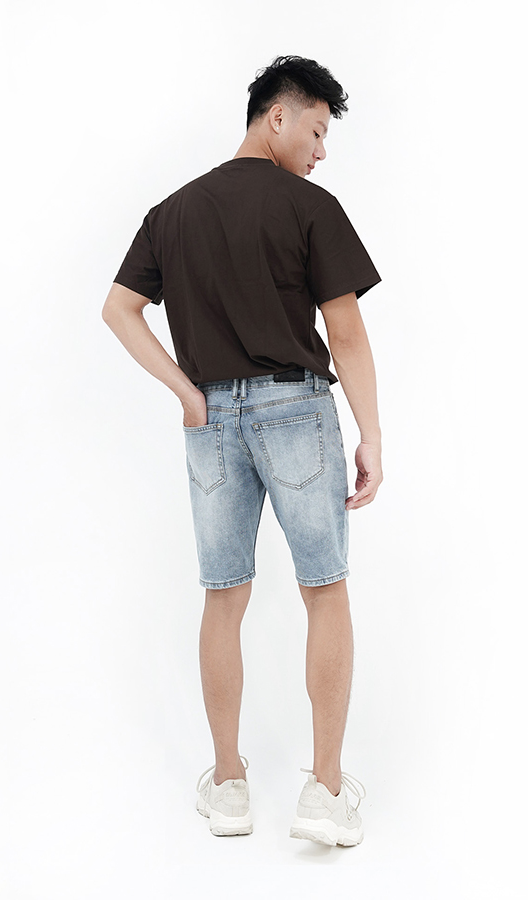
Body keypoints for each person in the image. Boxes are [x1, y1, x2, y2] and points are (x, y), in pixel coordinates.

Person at [102, 55, 382, 847]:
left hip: (211, 423)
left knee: (223, 596)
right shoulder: (309, 207)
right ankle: (326, 794)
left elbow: (119, 309)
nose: (321, 151)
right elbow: (346, 331)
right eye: (316, 131)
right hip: (296, 409)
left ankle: (229, 787)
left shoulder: (173, 212)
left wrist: (187, 393)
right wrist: (371, 434)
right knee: (324, 591)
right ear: (277, 116)